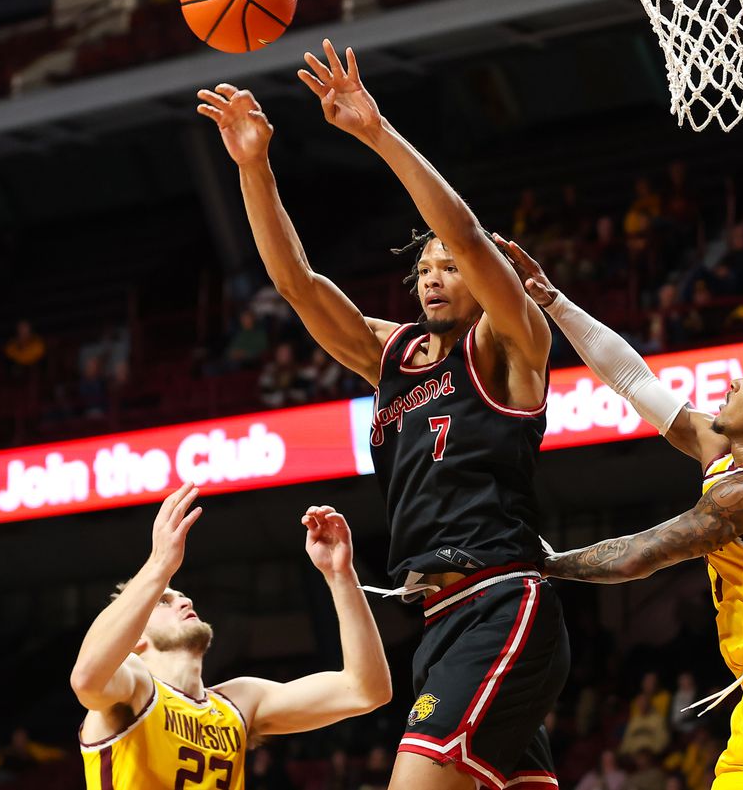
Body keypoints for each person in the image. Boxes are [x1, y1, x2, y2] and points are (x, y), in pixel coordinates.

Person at [195, 38, 569, 790]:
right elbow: (298, 283)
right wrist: (254, 167)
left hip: (501, 600)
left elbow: (462, 230)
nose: (434, 277)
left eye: (450, 269)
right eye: (423, 269)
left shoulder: (511, 342)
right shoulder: (392, 355)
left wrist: (374, 130)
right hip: (439, 620)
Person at [496, 238, 743, 790]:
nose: (732, 383)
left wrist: (536, 563)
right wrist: (553, 301)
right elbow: (633, 381)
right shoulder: (723, 456)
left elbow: (641, 554)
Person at [71, 484, 391, 789]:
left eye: (180, 595)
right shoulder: (132, 685)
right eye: (164, 600)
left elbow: (366, 690)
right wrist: (158, 566)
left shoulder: (240, 700)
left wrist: (340, 575)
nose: (185, 600)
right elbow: (86, 677)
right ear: (134, 636)